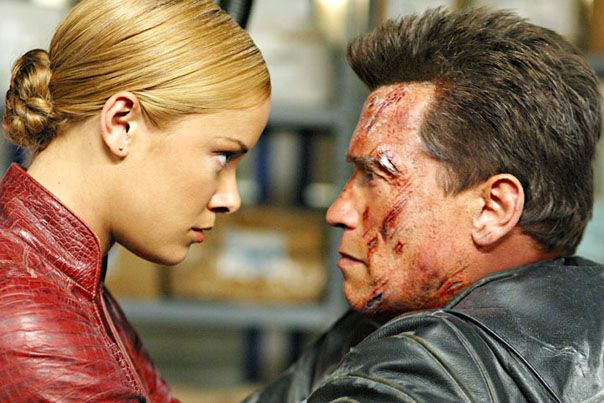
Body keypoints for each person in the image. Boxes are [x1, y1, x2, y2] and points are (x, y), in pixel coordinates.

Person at [246, 7, 604, 402]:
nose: (338, 212)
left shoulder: (425, 375)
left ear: (493, 209)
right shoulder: (391, 320)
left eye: (375, 177)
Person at [0, 0, 270, 401]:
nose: (230, 199)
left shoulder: (66, 280)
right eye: (222, 156)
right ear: (122, 124)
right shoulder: (32, 328)